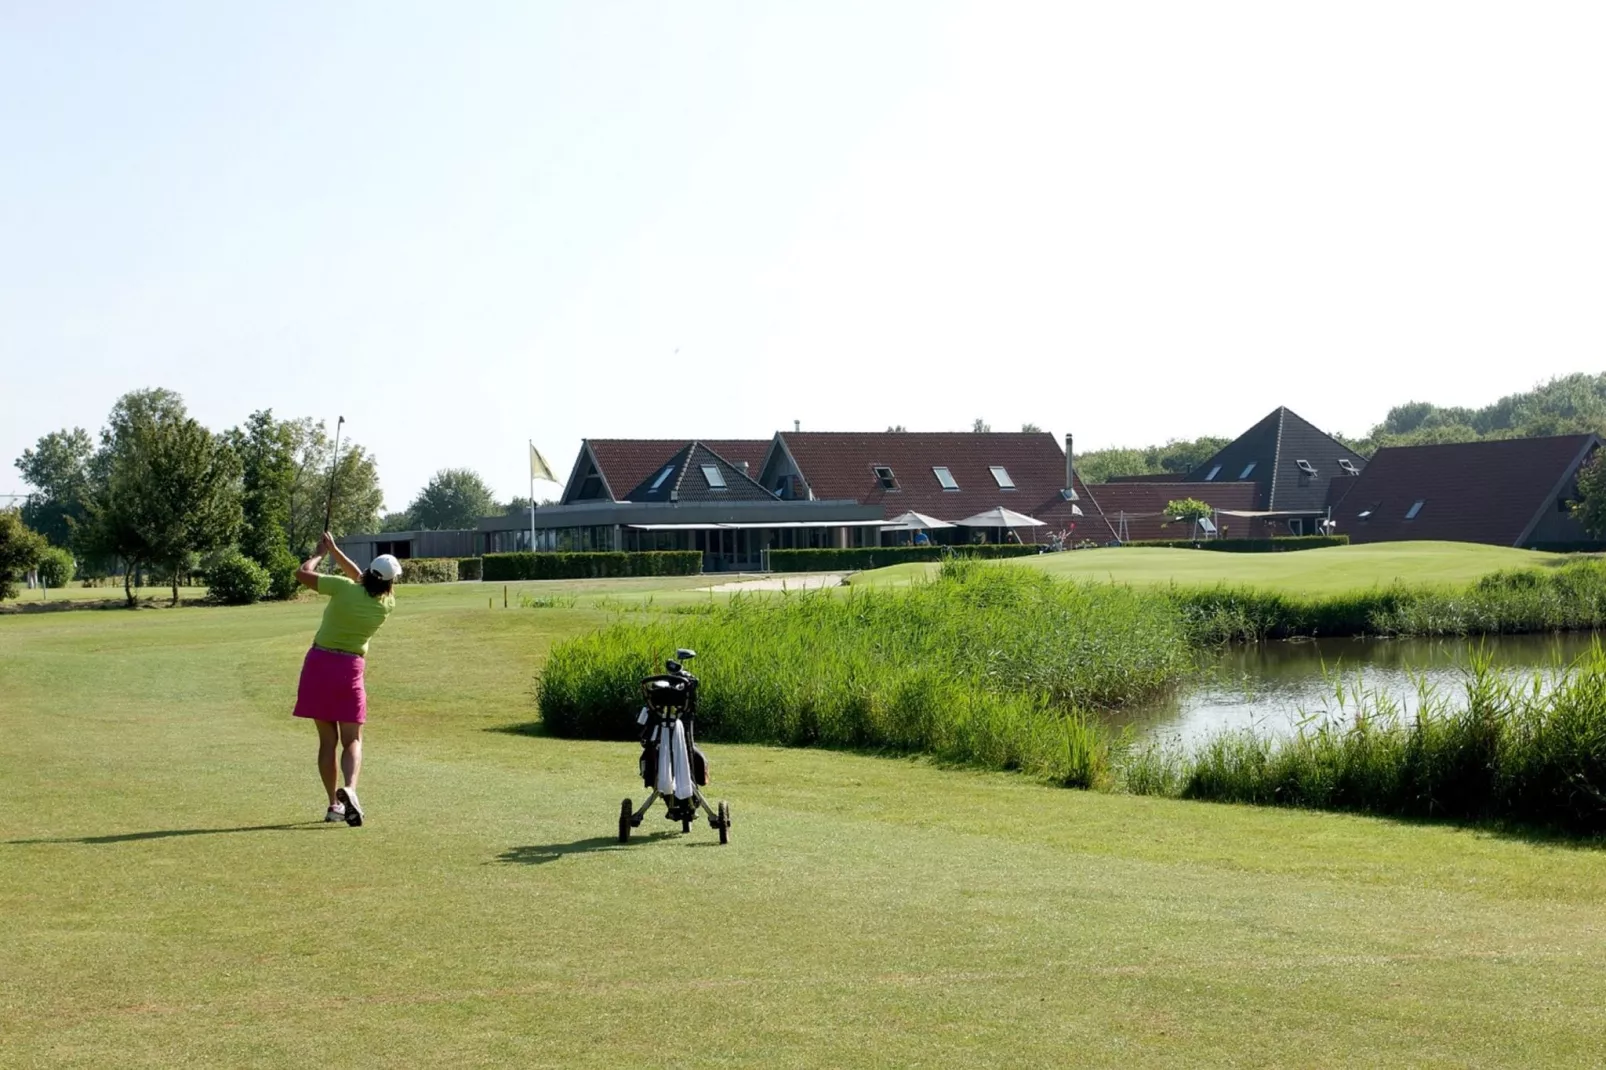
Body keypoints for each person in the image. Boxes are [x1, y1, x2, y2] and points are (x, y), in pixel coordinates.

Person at [292, 533, 401, 827]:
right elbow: (361, 579)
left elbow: (303, 573)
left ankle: (333, 805)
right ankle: (350, 789)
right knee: (352, 738)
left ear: (368, 572)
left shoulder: (342, 588)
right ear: (391, 582)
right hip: (350, 668)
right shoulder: (387, 604)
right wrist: (336, 550)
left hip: (318, 663)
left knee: (327, 740)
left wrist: (320, 553)